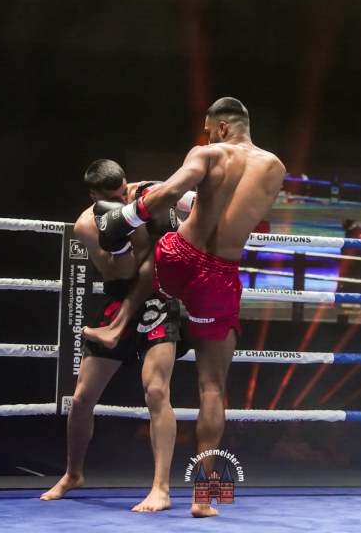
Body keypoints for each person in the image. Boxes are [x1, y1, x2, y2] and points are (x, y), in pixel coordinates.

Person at [87, 97, 285, 517]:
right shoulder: (276, 168)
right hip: (220, 275)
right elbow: (240, 209)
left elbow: (173, 192)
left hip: (179, 259)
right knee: (212, 387)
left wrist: (125, 217)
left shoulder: (208, 154)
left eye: (209, 130)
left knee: (160, 247)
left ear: (223, 128)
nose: (207, 137)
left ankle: (119, 323)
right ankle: (203, 497)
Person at [41, 160, 184, 512]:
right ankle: (73, 474)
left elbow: (184, 220)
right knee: (81, 398)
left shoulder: (144, 194)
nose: (123, 198)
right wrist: (133, 227)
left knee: (156, 391)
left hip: (158, 300)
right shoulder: (86, 225)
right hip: (118, 296)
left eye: (124, 191)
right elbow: (125, 268)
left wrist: (147, 213)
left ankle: (161, 488)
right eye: (115, 197)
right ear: (95, 197)